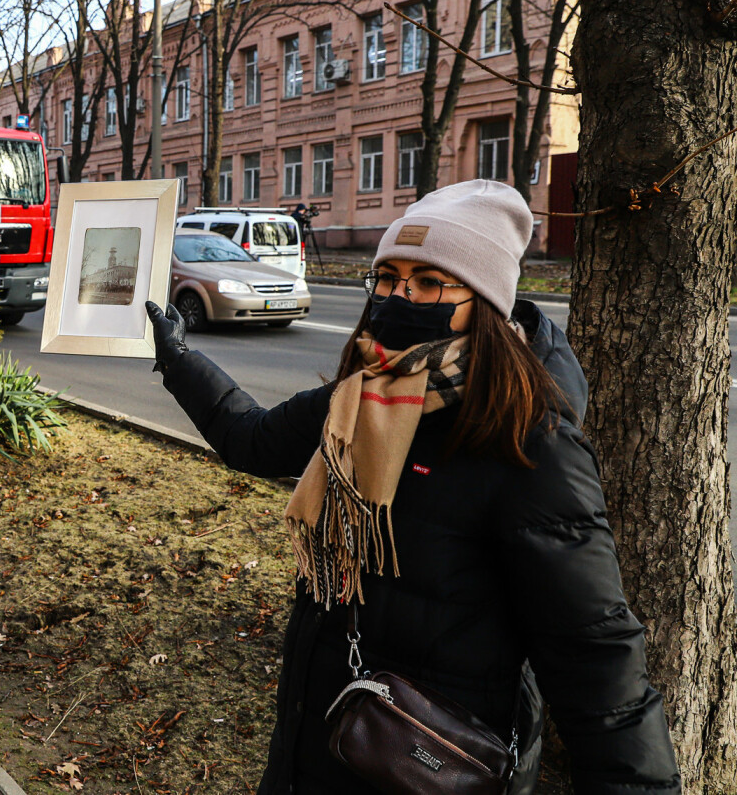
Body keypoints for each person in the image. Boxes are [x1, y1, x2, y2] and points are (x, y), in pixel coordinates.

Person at [144, 180, 680, 794]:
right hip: (323, 752)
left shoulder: (532, 444)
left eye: (429, 282)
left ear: (482, 299)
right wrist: (177, 358)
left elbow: (598, 660)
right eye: (390, 278)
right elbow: (252, 438)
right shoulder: (361, 397)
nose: (402, 297)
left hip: (433, 767)